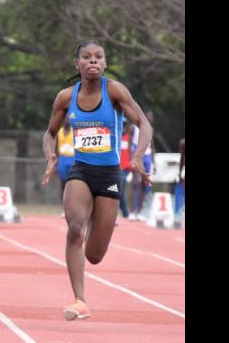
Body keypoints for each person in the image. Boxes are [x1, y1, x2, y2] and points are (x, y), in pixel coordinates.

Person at [42, 40, 152, 320]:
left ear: (105, 63)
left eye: (98, 57)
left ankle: (100, 219)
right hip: (80, 171)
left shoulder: (114, 91)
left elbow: (144, 124)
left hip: (109, 175)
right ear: (77, 63)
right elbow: (50, 133)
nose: (93, 61)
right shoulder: (66, 97)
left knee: (94, 255)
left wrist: (138, 155)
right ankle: (80, 300)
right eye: (87, 57)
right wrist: (50, 156)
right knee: (74, 228)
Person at [128, 111, 155, 221]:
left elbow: (153, 146)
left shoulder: (151, 129)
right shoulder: (134, 128)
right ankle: (131, 211)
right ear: (145, 116)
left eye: (152, 117)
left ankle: (140, 211)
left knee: (144, 184)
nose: (151, 118)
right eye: (150, 116)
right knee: (135, 183)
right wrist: (131, 158)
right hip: (138, 155)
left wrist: (154, 162)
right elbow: (130, 144)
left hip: (148, 157)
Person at [119, 120, 132, 218]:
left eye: (125, 125)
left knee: (120, 191)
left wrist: (132, 170)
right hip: (116, 168)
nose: (123, 127)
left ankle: (126, 213)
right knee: (118, 192)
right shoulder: (116, 137)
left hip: (126, 169)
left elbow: (131, 153)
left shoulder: (129, 139)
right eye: (121, 125)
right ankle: (125, 213)